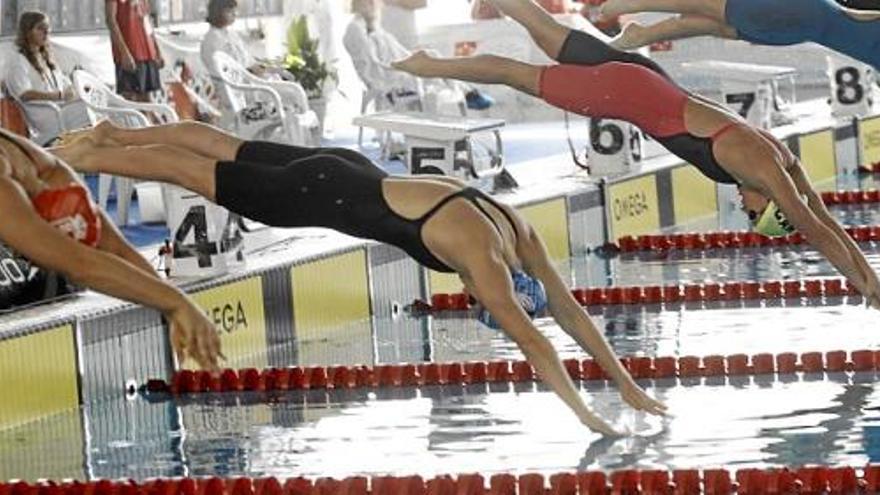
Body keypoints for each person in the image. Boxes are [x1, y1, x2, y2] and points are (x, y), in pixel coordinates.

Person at [53, 119, 666, 435]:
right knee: (192, 173)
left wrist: (626, 383)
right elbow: (534, 339)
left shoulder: (514, 231)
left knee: (223, 145)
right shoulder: (486, 263)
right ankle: (74, 158)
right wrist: (584, 411)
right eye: (481, 301)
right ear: (494, 290)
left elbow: (570, 314)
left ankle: (112, 135)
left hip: (349, 170)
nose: (471, 296)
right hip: (319, 194)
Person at [391, 0, 880, 308]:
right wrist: (864, 283)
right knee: (519, 75)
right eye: (755, 216)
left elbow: (823, 217)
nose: (746, 212)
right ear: (766, 202)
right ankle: (430, 65)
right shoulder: (760, 165)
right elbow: (814, 228)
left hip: (648, 81)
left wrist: (869, 279)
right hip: (632, 96)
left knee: (547, 32)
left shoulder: (781, 161)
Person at [0, 126, 221, 370]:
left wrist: (172, 313)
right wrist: (176, 303)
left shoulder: (48, 170)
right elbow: (79, 265)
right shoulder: (33, 171)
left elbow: (115, 250)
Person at [596, 0, 880, 68]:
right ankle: (640, 30)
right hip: (809, 24)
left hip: (809, 19)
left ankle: (639, 17)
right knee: (715, 20)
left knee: (713, 13)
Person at [345, 0, 494, 112]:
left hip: (399, 69)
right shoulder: (356, 30)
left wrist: (416, 57)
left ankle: (466, 92)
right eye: (369, 2)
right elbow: (371, 65)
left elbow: (399, 52)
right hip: (391, 77)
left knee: (432, 55)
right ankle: (467, 93)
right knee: (431, 64)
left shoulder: (377, 30)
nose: (374, 5)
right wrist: (401, 66)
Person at [4, 11, 91, 145]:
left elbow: (65, 83)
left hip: (62, 107)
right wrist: (58, 95)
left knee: (95, 101)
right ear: (27, 31)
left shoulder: (45, 56)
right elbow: (24, 94)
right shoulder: (18, 61)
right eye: (40, 28)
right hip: (48, 116)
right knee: (91, 108)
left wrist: (78, 89)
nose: (46, 32)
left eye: (47, 28)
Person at [105, 0, 165, 102]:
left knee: (147, 102)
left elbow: (147, 21)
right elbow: (111, 20)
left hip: (147, 52)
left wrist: (157, 50)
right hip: (130, 54)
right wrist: (124, 53)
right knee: (131, 101)